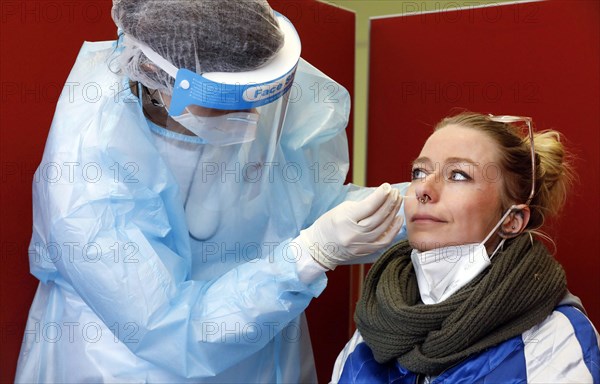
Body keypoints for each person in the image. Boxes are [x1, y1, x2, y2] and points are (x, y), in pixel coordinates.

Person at [15, 1, 408, 382]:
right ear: (153, 71)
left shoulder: (246, 74)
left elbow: (313, 209)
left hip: (265, 345)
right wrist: (308, 256)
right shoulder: (91, 165)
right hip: (134, 363)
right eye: (224, 102)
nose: (251, 118)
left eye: (258, 97)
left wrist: (414, 206)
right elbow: (169, 329)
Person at [332, 112, 600, 383]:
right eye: (419, 172)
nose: (423, 188)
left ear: (511, 220)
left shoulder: (558, 339)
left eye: (458, 175)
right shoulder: (376, 322)